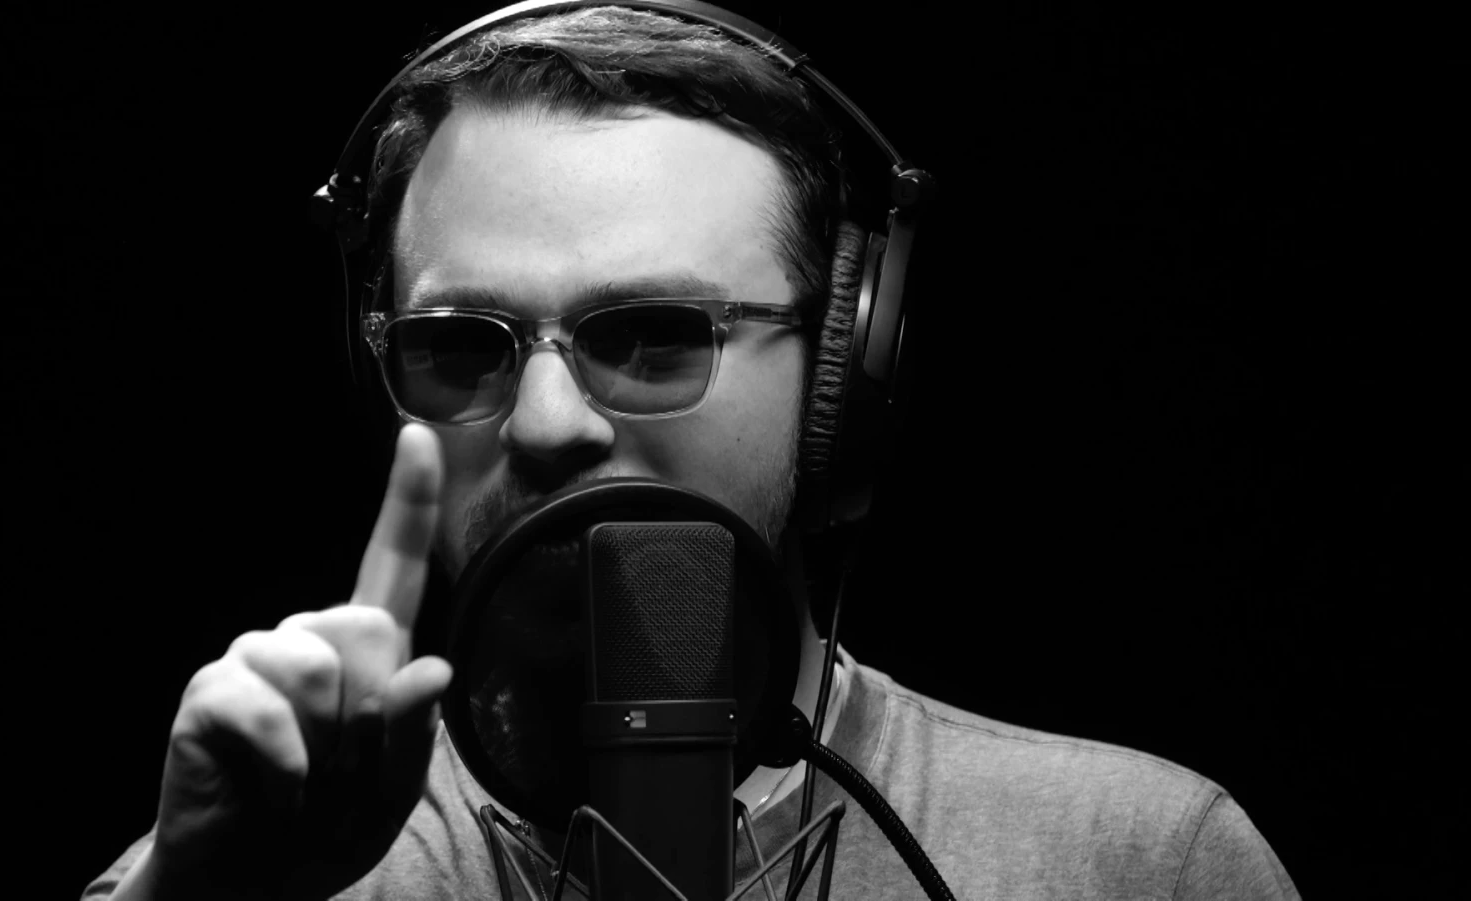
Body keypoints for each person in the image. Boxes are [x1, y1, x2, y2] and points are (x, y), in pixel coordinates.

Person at [85, 6, 1299, 899]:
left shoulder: (1137, 860)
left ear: (843, 377)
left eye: (653, 334)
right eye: (459, 347)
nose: (547, 424)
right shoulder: (246, 867)